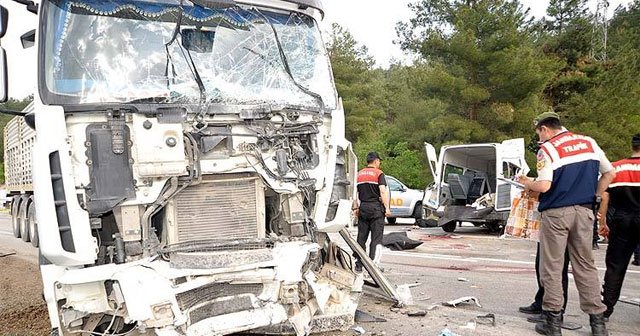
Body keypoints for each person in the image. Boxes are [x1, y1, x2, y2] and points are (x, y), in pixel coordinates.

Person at [517, 111, 615, 336]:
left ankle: (552, 323)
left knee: (551, 267)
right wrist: (595, 196)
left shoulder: (548, 149)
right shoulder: (588, 142)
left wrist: (526, 181)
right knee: (586, 267)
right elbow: (609, 173)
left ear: (545, 129)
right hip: (584, 212)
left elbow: (543, 186)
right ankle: (597, 324)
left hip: (556, 214)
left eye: (538, 134)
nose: (539, 140)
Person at [599, 134, 640, 319]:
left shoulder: (615, 167)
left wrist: (602, 222)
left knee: (615, 265)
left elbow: (604, 196)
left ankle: (605, 309)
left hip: (621, 219)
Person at [352, 152, 391, 273]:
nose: (379, 163)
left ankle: (359, 264)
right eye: (379, 161)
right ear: (375, 161)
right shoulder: (379, 174)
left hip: (363, 207)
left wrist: (356, 208)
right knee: (376, 239)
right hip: (376, 209)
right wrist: (387, 208)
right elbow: (383, 192)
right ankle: (373, 266)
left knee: (361, 238)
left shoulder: (359, 174)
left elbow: (354, 193)